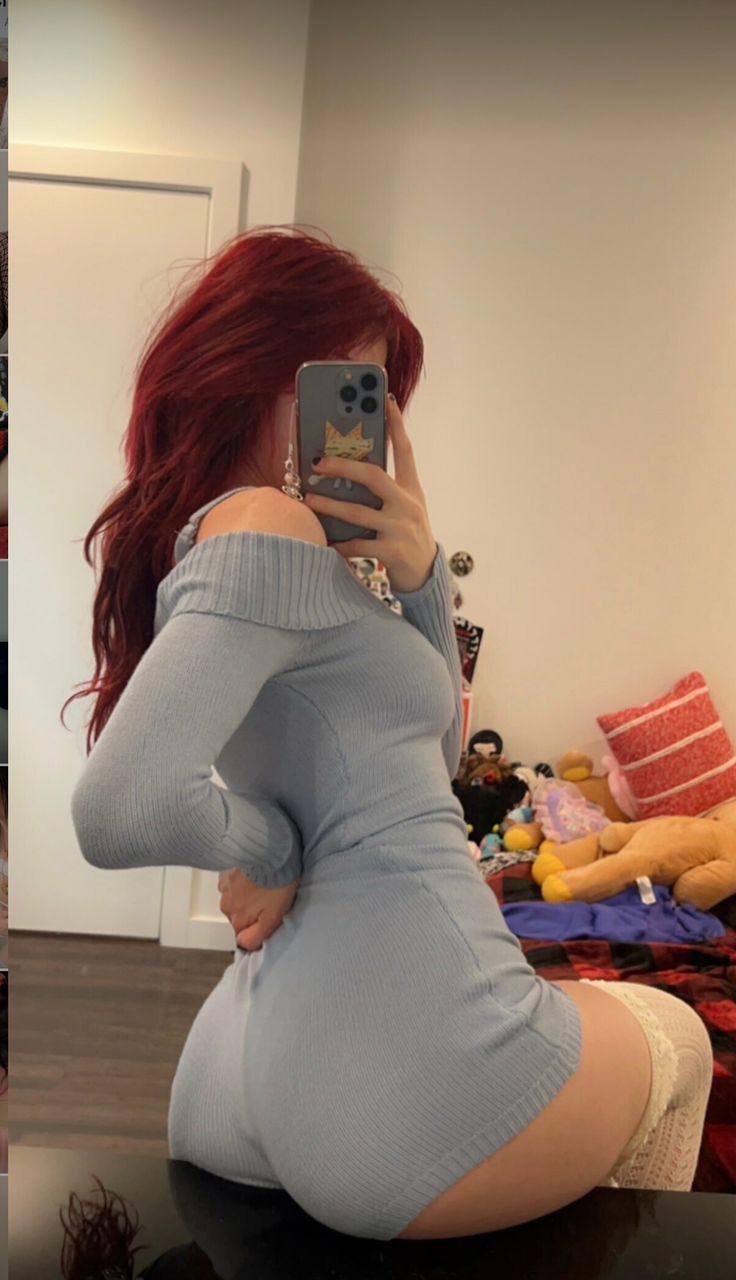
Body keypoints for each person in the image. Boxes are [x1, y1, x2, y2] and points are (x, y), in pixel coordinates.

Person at [70, 227, 712, 1242]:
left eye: (371, 397)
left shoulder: (256, 549)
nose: (354, 424)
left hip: (251, 1064)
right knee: (680, 1033)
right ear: (252, 366)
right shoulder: (267, 527)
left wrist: (419, 576)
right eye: (339, 384)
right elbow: (120, 807)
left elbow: (435, 762)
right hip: (413, 1085)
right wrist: (270, 847)